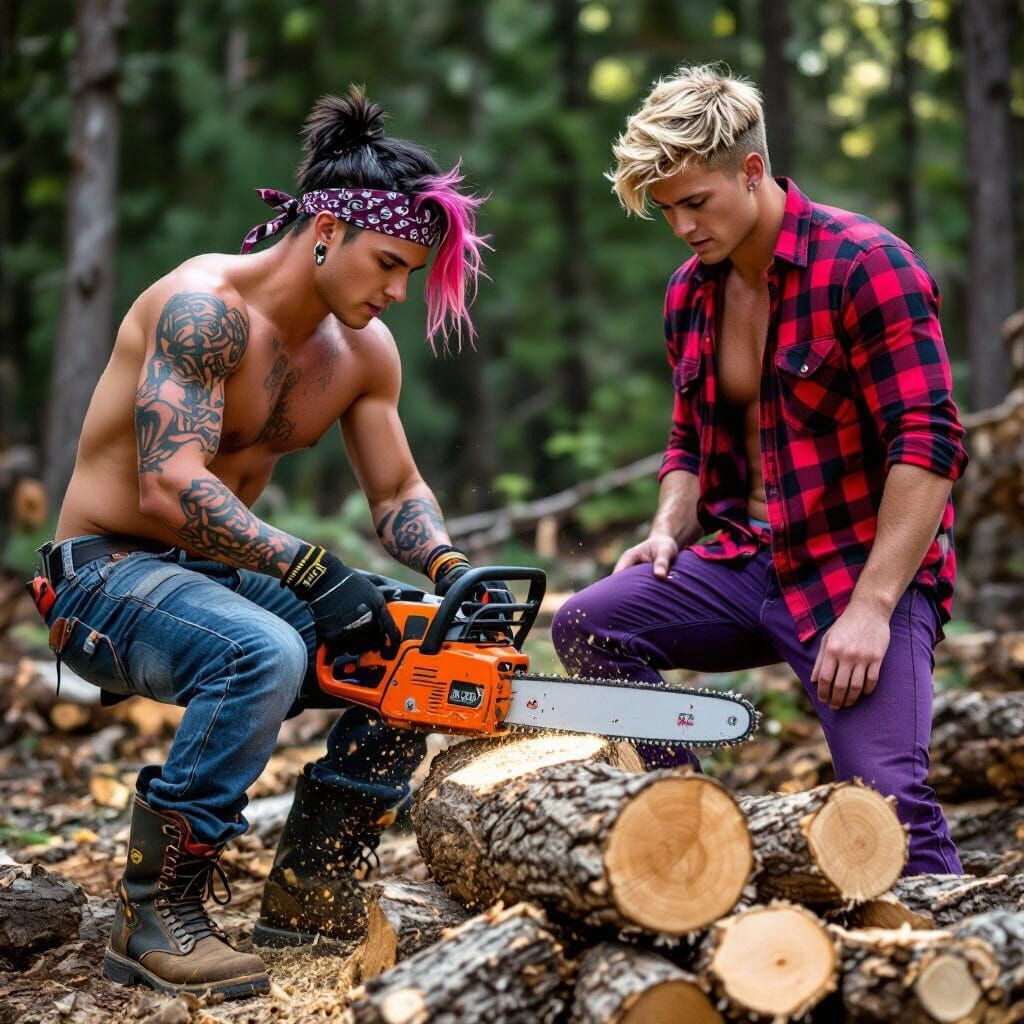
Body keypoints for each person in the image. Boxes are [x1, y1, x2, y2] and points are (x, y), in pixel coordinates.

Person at [34, 86, 494, 1000]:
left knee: (410, 642)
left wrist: (446, 567)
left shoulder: (363, 352)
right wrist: (311, 570)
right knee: (265, 648)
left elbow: (398, 489)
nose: (398, 291)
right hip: (105, 576)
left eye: (412, 273)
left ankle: (311, 887)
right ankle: (155, 914)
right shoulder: (202, 310)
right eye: (388, 264)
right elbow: (170, 485)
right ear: (325, 228)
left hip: (216, 575)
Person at [552, 64, 968, 876]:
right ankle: (698, 861)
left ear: (751, 171)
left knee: (886, 811)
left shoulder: (866, 265)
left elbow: (930, 445)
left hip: (858, 570)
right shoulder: (689, 295)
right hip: (745, 560)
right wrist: (668, 526)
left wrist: (875, 606)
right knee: (589, 626)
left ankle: (954, 963)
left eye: (694, 203)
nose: (680, 227)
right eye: (664, 209)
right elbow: (689, 442)